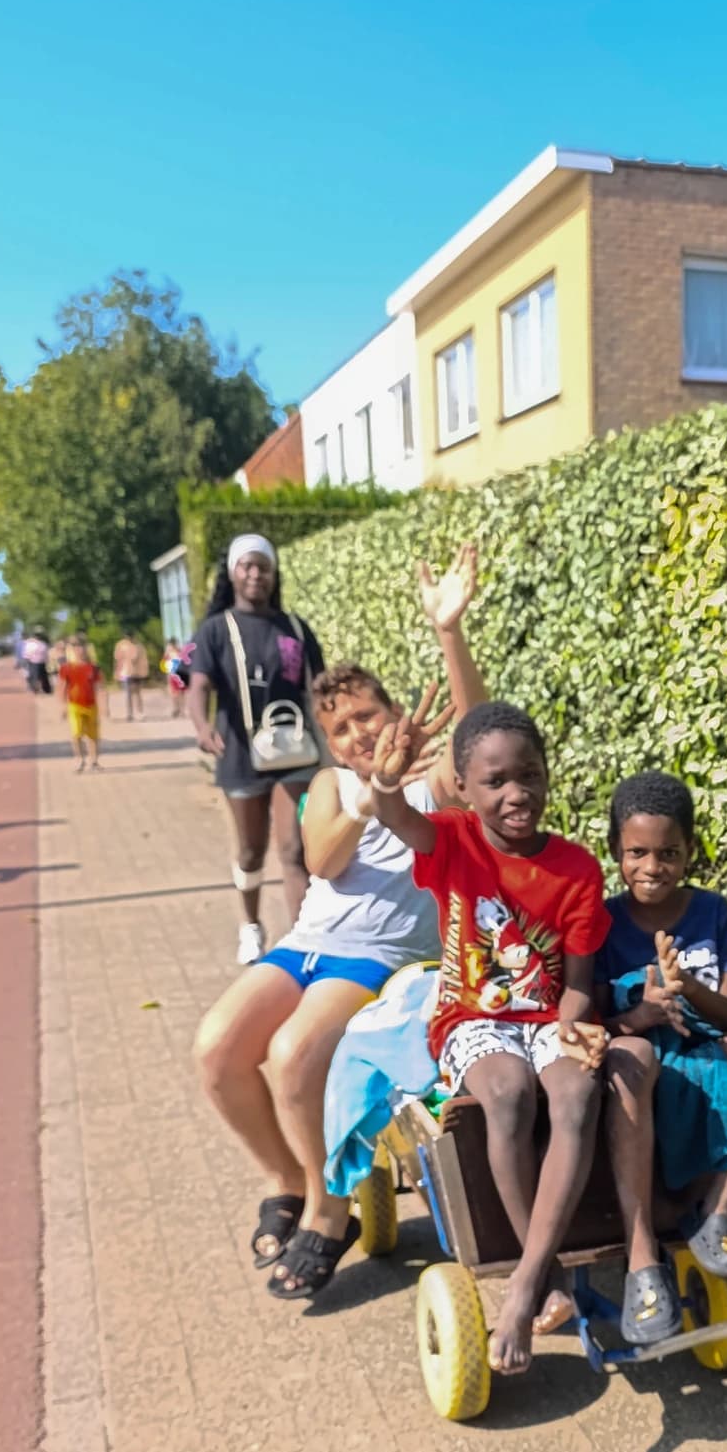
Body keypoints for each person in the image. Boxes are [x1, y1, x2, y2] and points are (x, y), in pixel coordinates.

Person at [191, 549, 485, 1299]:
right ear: (327, 741)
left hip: (383, 958)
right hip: (307, 946)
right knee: (217, 1048)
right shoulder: (329, 783)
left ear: (393, 714)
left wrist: (449, 633)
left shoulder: (433, 784)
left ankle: (330, 1211)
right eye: (340, 726)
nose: (356, 734)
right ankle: (288, 1178)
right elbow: (320, 859)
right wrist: (366, 790)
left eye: (367, 717)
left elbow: (479, 738)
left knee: (292, 1055)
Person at [368, 693, 610, 1374]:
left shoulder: (577, 869)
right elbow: (396, 818)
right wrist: (386, 783)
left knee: (576, 1095)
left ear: (547, 776)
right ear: (466, 790)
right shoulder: (452, 840)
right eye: (496, 781)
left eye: (529, 774)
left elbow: (580, 981)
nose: (516, 793)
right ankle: (537, 1277)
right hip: (468, 1017)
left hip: (544, 1018)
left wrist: (575, 1028)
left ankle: (529, 1277)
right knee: (505, 1094)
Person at [598, 771, 727, 1344]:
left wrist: (686, 987)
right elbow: (593, 1023)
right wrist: (643, 1011)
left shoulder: (712, 912)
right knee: (631, 1052)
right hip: (640, 1057)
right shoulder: (604, 921)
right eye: (637, 852)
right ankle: (642, 1261)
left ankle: (722, 1207)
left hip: (708, 1041)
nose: (652, 866)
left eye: (669, 853)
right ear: (616, 851)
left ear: (689, 852)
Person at [184, 535, 327, 966]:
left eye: (262, 566)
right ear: (232, 572)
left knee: (294, 851)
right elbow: (198, 686)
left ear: (273, 573)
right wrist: (202, 725)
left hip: (294, 752)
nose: (255, 574)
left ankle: (304, 939)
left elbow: (320, 690)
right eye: (246, 566)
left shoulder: (296, 629)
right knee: (250, 850)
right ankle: (251, 926)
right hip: (240, 753)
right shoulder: (214, 630)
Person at [55, 634, 102, 771]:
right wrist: (62, 706)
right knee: (76, 734)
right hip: (74, 705)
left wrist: (105, 706)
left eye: (81, 647)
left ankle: (94, 761)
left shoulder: (92, 667)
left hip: (91, 704)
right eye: (75, 647)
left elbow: (99, 687)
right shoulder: (67, 668)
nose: (79, 650)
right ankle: (79, 759)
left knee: (93, 735)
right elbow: (62, 687)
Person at [113, 629, 150, 719]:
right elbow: (117, 659)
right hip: (126, 672)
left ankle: (140, 712)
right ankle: (130, 713)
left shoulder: (139, 646)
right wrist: (117, 672)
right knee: (128, 693)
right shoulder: (121, 645)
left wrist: (144, 671)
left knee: (137, 693)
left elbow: (144, 660)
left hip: (137, 672)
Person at [22, 628, 51, 695]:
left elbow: (27, 655)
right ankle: (39, 689)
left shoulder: (35, 644)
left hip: (36, 662)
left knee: (38, 677)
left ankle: (40, 689)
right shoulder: (36, 644)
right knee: (39, 677)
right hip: (36, 662)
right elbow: (27, 654)